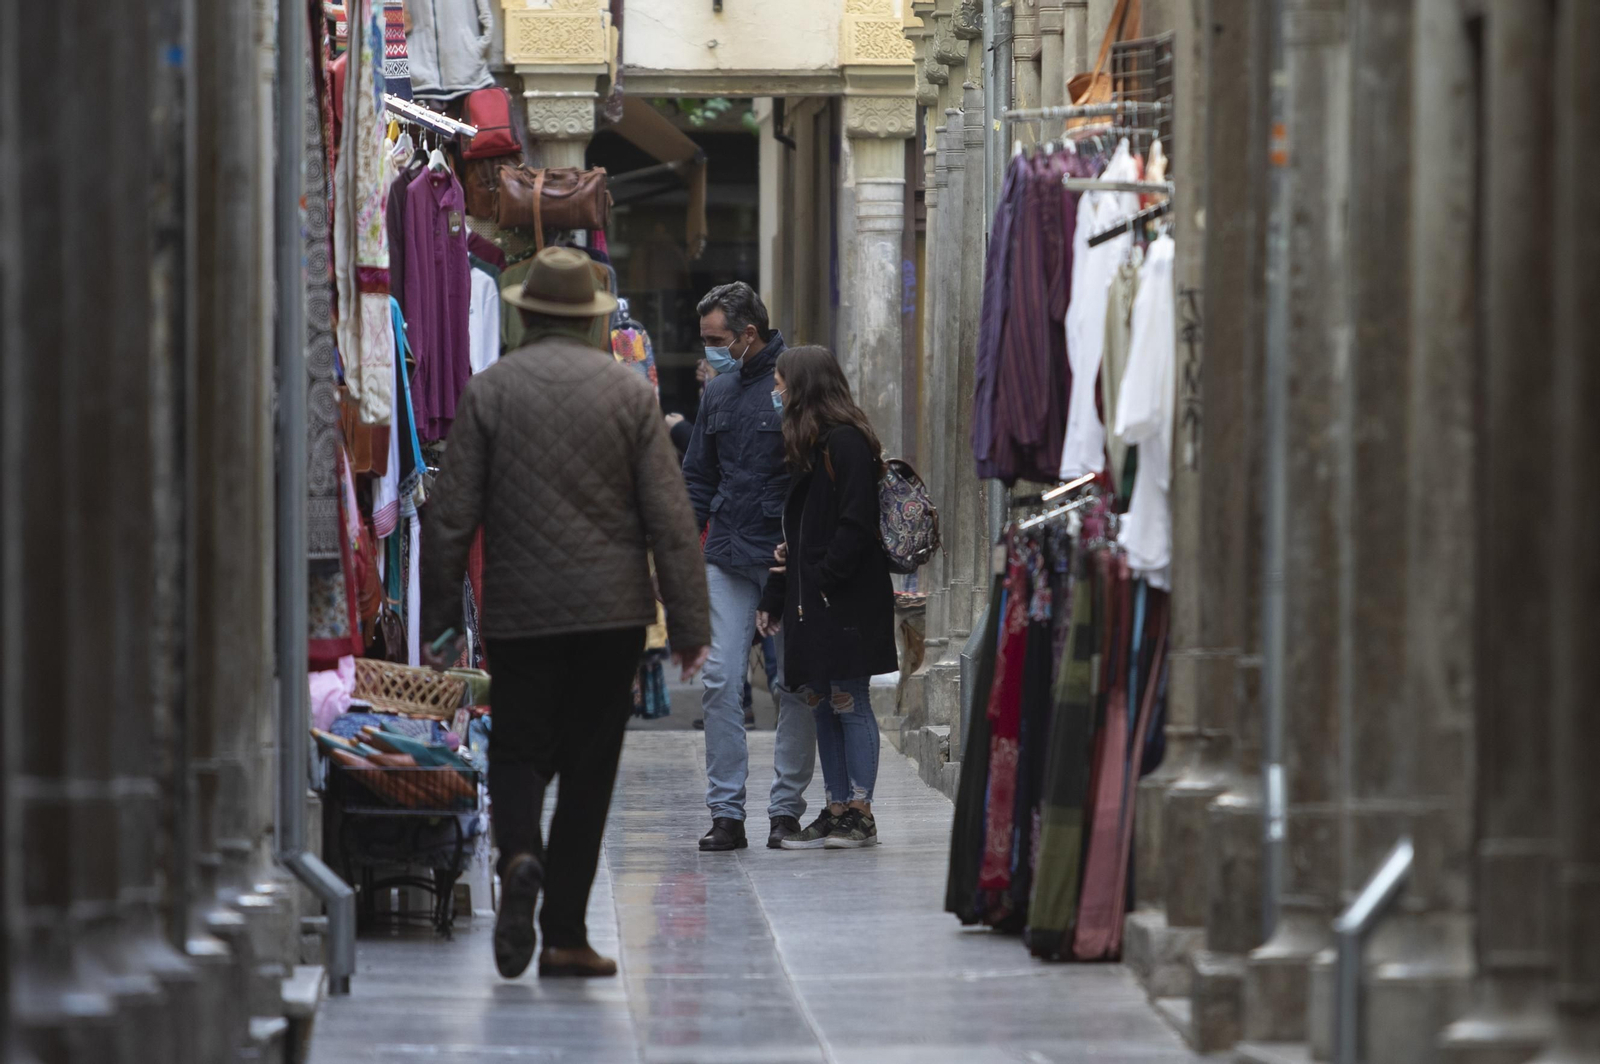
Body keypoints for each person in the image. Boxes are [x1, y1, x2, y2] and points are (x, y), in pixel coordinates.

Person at [420, 247, 710, 980]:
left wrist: (438, 626)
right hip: (612, 615)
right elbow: (670, 518)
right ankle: (565, 934)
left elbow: (449, 517)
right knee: (589, 769)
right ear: (586, 320)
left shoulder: (489, 392)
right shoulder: (628, 395)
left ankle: (520, 853)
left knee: (517, 748)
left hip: (519, 611)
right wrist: (690, 625)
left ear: (525, 315)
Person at [681, 282, 817, 851]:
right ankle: (726, 813)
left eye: (717, 340)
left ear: (748, 334)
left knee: (795, 684)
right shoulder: (717, 394)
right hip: (728, 554)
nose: (710, 350)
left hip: (788, 559)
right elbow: (697, 476)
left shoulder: (796, 384)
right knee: (719, 680)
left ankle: (785, 808)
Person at [757, 346, 898, 850]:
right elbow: (795, 536)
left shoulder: (846, 443)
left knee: (849, 700)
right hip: (812, 601)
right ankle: (836, 805)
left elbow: (854, 522)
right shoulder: (810, 446)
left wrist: (820, 576)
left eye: (781, 382)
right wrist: (780, 594)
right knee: (820, 701)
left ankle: (860, 810)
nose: (776, 392)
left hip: (844, 600)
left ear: (804, 387)